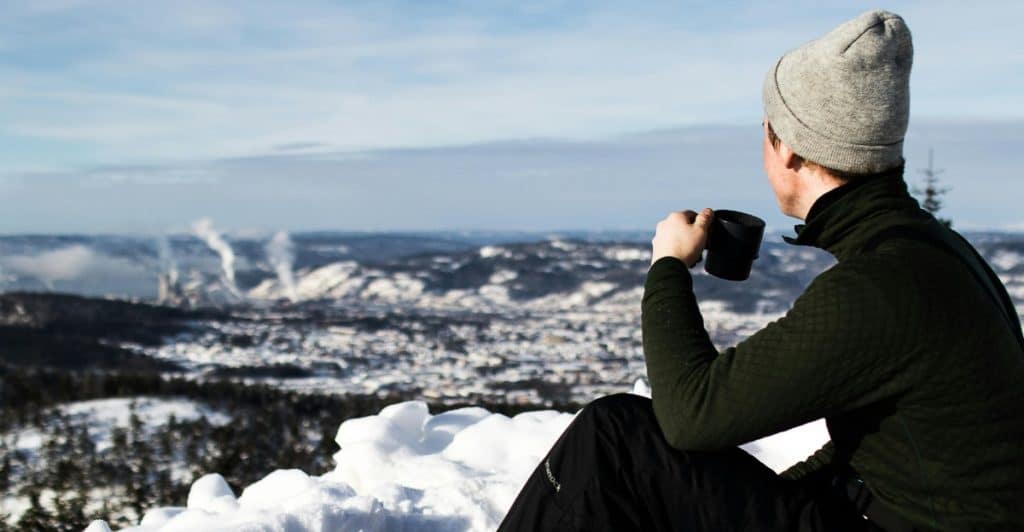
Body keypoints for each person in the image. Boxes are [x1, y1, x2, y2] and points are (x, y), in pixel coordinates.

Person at [498, 9, 1024, 531]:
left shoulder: (878, 288)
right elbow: (877, 450)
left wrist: (668, 267)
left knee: (616, 438)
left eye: (766, 131)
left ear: (789, 149)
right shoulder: (940, 254)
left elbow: (691, 413)